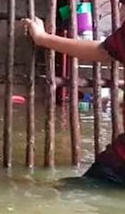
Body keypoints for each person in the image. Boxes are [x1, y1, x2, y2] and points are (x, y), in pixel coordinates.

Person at [22, 16, 125, 187]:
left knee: (63, 192)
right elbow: (104, 50)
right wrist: (44, 38)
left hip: (118, 167)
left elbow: (103, 51)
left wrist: (44, 38)